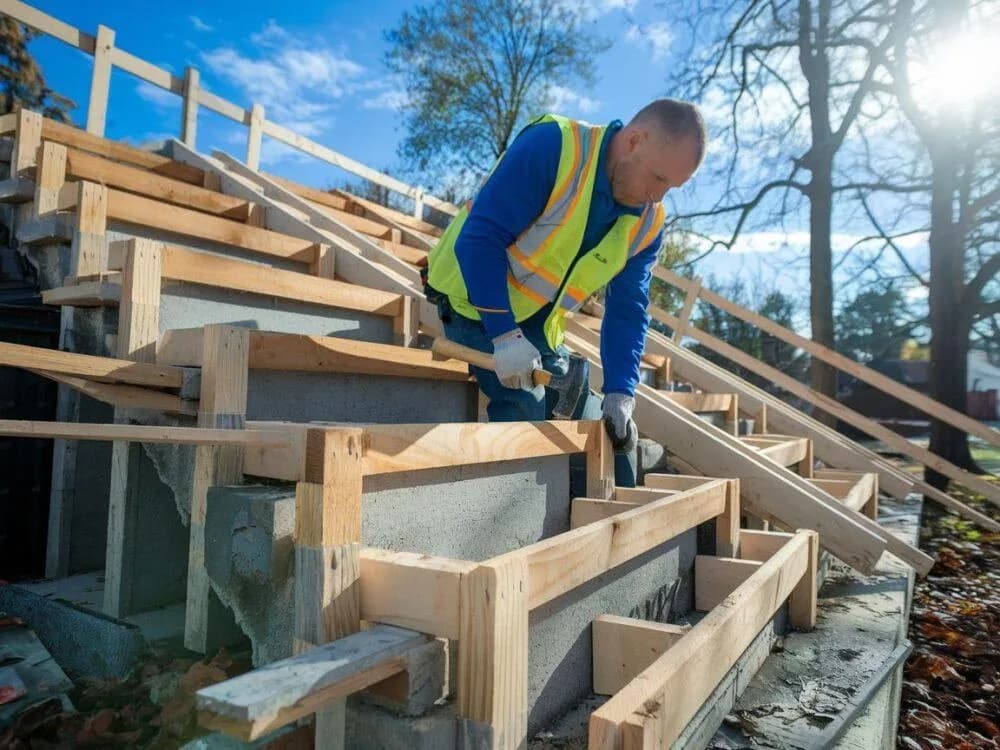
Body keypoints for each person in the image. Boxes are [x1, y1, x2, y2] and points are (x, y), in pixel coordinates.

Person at [424, 99, 706, 487]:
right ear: (634, 141)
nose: (658, 197)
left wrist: (621, 391)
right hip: (474, 301)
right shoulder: (554, 147)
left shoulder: (647, 222)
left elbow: (628, 310)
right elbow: (479, 241)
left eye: (671, 188)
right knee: (527, 416)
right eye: (658, 178)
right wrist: (505, 335)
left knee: (611, 445)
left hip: (539, 328)